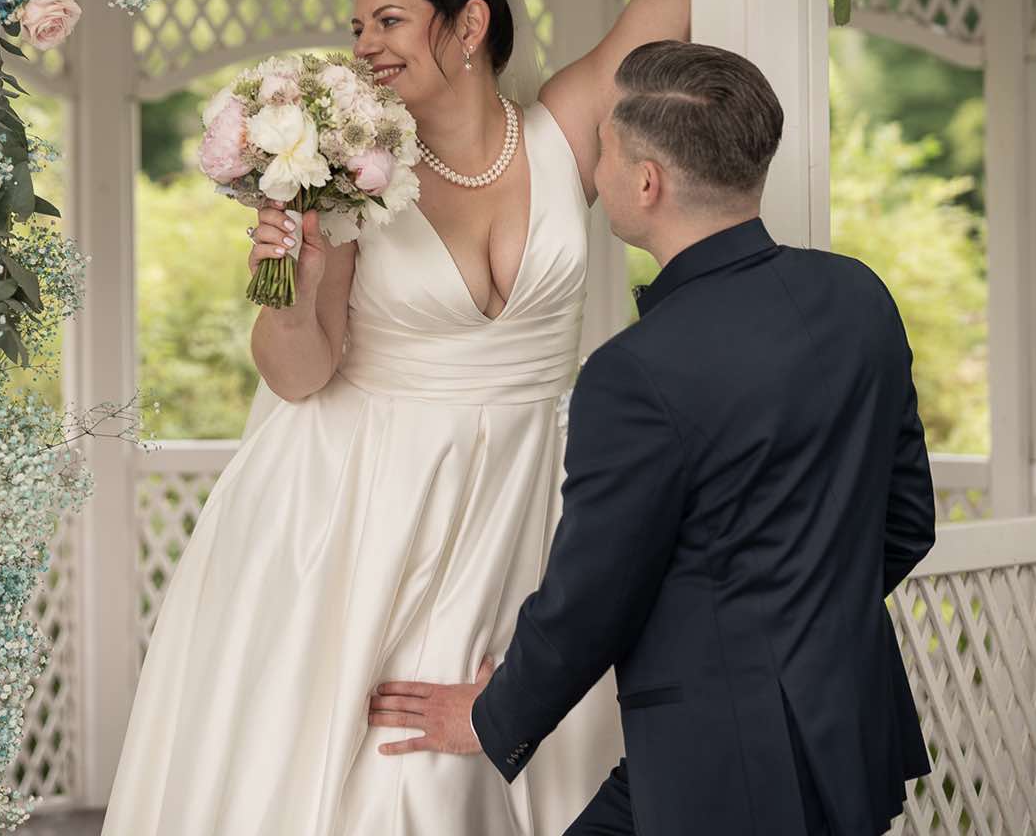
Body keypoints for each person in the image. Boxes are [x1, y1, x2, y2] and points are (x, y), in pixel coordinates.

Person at [100, 0, 695, 829]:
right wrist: (285, 283)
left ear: (467, 31)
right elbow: (300, 374)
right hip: (362, 503)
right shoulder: (348, 172)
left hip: (530, 495)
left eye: (387, 23)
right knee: (386, 777)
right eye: (360, 26)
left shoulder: (562, 129)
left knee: (519, 758)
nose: (364, 47)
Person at [365, 41, 937, 836]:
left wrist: (493, 716)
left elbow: (592, 597)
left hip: (723, 763)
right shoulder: (858, 297)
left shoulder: (633, 372)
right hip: (847, 728)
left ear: (646, 181)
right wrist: (806, 626)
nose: (593, 173)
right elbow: (909, 521)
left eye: (603, 150)